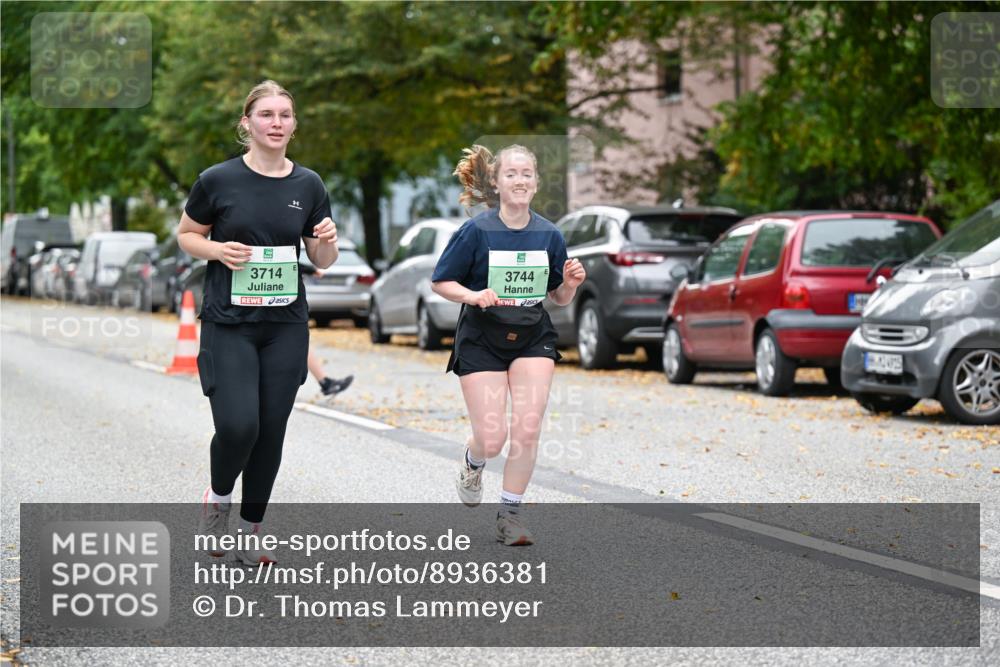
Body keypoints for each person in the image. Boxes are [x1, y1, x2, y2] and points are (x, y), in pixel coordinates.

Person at [179, 80, 339, 565]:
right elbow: (187, 235)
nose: (276, 123)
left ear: (294, 124)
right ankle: (218, 500)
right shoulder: (217, 180)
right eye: (266, 114)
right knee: (238, 425)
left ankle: (251, 530)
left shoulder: (308, 185)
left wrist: (328, 238)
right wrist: (216, 249)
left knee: (271, 429)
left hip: (284, 324)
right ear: (246, 123)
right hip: (229, 322)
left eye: (285, 115)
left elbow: (322, 258)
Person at [431, 144, 585, 545]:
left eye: (527, 174)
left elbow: (558, 297)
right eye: (511, 174)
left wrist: (569, 283)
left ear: (536, 183)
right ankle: (473, 459)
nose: (520, 180)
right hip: (482, 337)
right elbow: (441, 282)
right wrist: (474, 295)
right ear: (497, 183)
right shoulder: (476, 231)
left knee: (528, 429)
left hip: (532, 336)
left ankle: (510, 516)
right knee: (493, 438)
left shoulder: (549, 234)